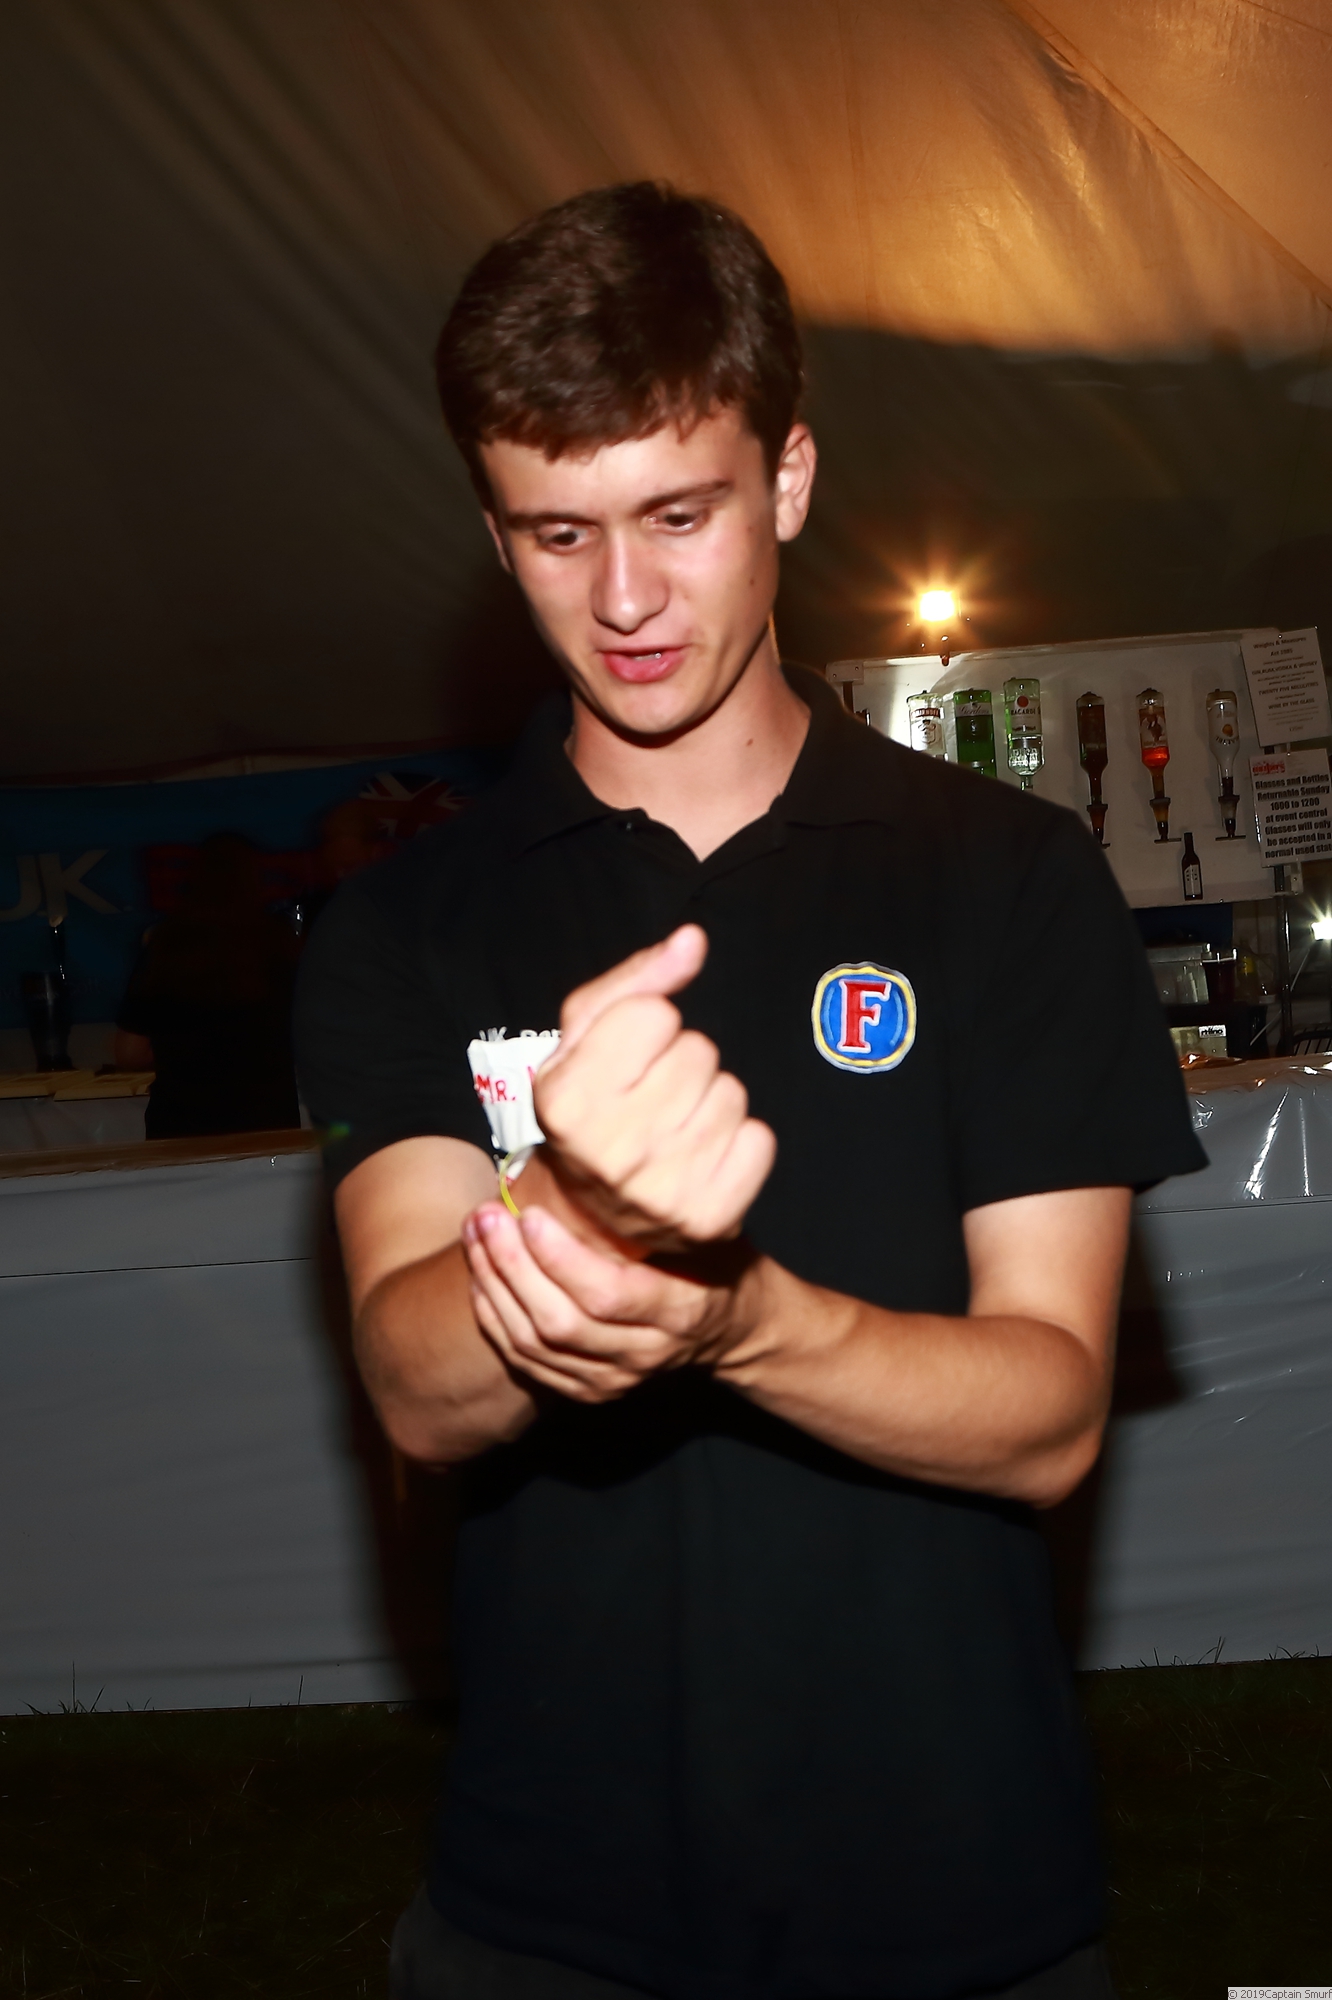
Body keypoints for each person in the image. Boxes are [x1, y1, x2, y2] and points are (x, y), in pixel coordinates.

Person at [294, 183, 1205, 2000]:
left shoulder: (1006, 879)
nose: (623, 600)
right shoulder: (412, 920)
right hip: (552, 1914)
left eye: (677, 515)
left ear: (786, 479)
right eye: (557, 534)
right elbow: (413, 1383)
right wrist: (574, 1206)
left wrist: (737, 1319)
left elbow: (1046, 1411)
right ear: (492, 527)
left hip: (955, 1894)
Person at [117, 831, 301, 1138]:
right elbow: (310, 1033)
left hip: (182, 1121)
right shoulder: (280, 942)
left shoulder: (166, 945)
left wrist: (179, 1049)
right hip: (266, 1119)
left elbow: (129, 1053)